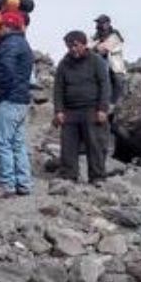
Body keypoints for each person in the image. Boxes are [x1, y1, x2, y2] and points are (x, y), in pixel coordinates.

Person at [53, 30, 110, 183]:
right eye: (69, 46)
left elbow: (105, 85)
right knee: (68, 146)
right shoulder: (64, 64)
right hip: (70, 111)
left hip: (92, 109)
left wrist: (103, 109)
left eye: (75, 45)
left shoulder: (96, 61)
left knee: (95, 144)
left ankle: (97, 176)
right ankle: (69, 175)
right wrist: (58, 110)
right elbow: (58, 88)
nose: (72, 49)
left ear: (84, 44)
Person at [0, 11, 34, 196]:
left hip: (8, 99)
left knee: (2, 143)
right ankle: (24, 183)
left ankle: (7, 184)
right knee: (18, 143)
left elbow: (5, 71)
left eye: (0, 26)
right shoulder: (23, 44)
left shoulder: (8, 45)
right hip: (22, 99)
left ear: (8, 26)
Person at [93, 14, 127, 104]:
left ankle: (114, 103)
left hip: (114, 62)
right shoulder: (96, 35)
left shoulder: (115, 34)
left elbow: (106, 48)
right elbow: (90, 46)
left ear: (107, 23)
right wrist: (97, 47)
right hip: (100, 61)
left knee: (119, 80)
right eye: (98, 23)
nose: (98, 25)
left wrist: (98, 46)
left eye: (101, 23)